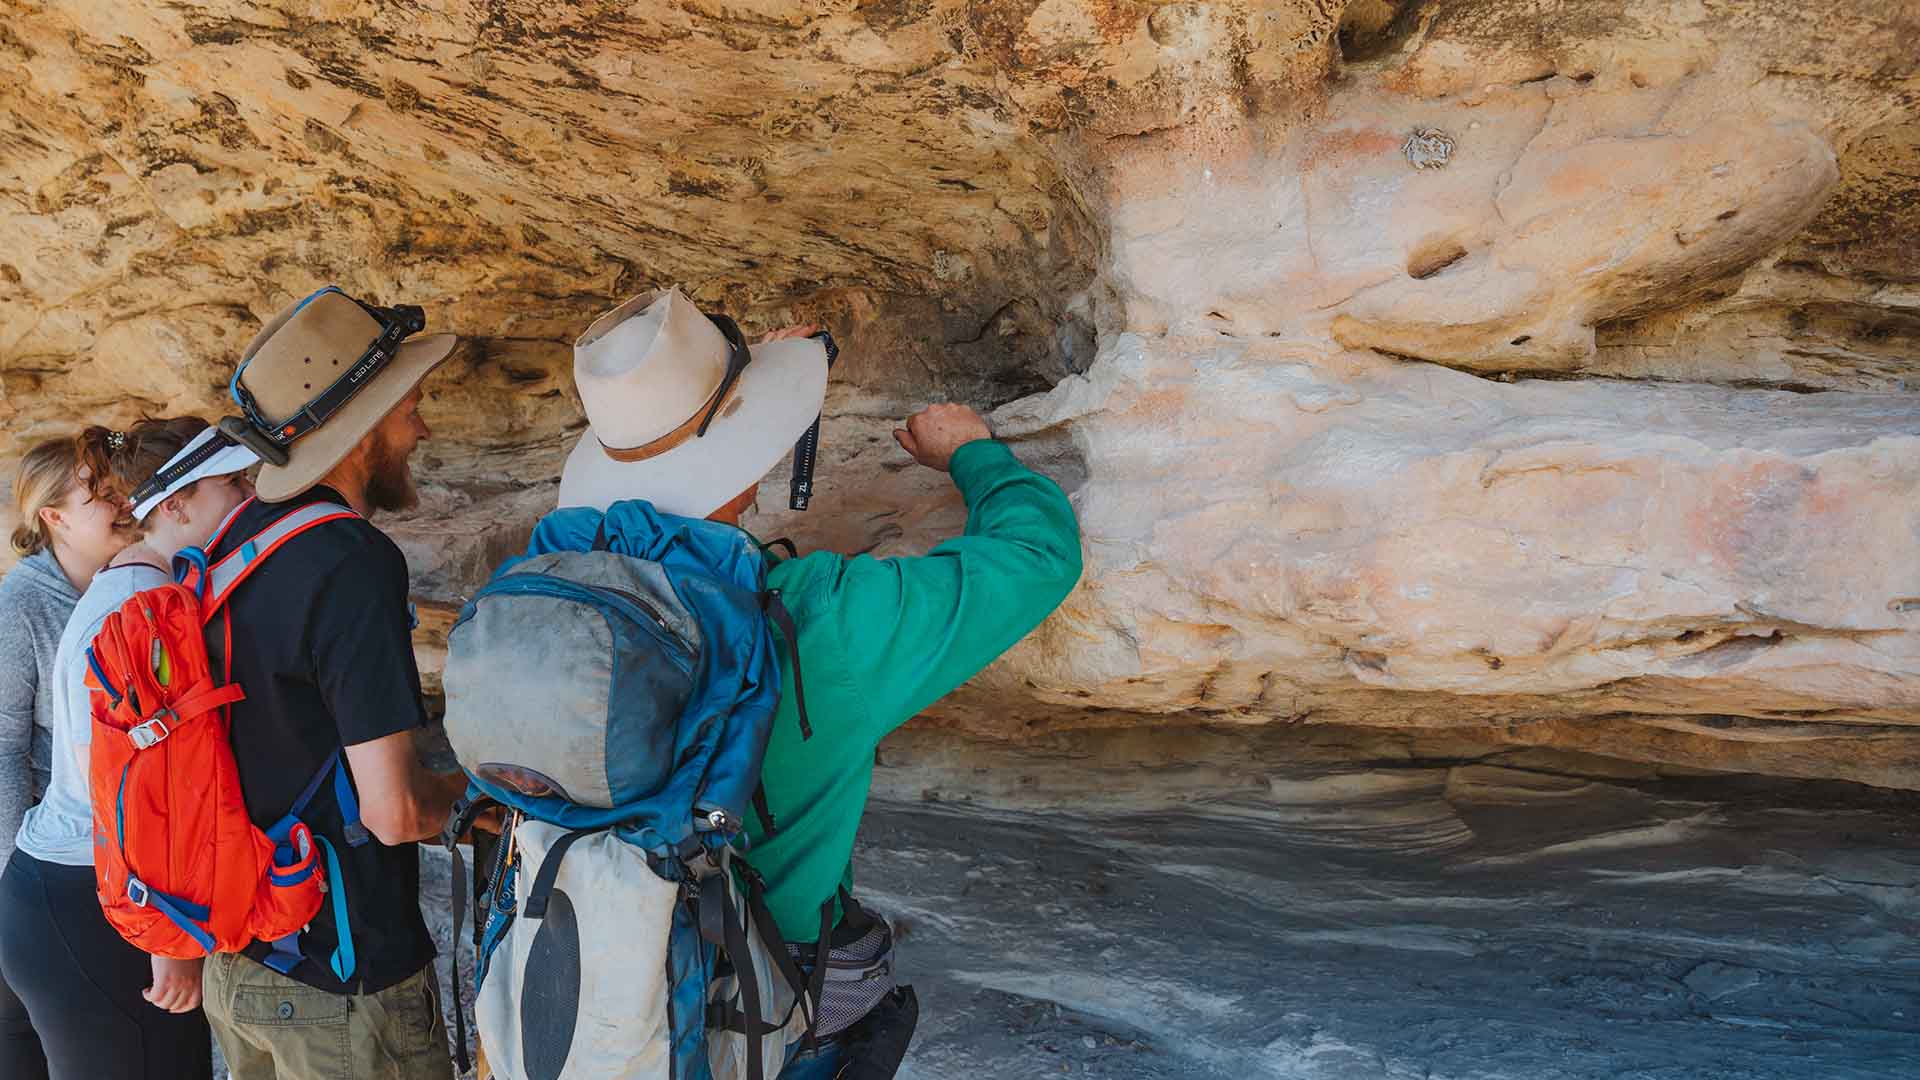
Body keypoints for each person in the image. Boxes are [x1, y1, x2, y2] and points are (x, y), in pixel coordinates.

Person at [548, 288, 1084, 1077]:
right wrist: (975, 452)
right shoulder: (816, 622)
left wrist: (738, 405)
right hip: (764, 1002)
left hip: (593, 973)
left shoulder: (556, 591)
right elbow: (1037, 560)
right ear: (746, 460)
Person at [194, 287, 468, 1080]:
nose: (423, 426)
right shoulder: (351, 563)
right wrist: (477, 797)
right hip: (342, 985)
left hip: (240, 957)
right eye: (411, 405)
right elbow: (395, 812)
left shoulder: (237, 540)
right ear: (364, 427)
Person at [0, 417, 258, 1078]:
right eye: (233, 483)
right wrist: (169, 933)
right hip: (91, 893)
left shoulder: (122, 587)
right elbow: (142, 790)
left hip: (73, 889)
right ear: (174, 504)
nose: (249, 496)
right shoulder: (142, 603)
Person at [0, 434, 130, 1079]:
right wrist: (8, 879)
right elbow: (2, 751)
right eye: (101, 494)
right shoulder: (22, 603)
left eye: (121, 487)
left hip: (110, 859)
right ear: (53, 516)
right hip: (43, 867)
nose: (122, 502)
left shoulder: (130, 583)